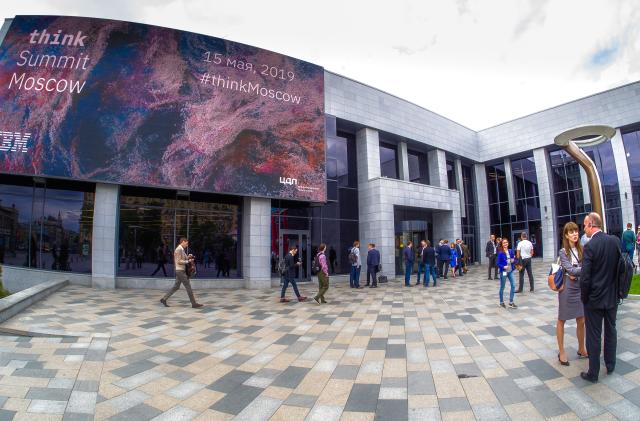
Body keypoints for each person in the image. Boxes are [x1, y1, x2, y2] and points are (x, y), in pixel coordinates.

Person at [580, 212, 620, 383]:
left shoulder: (590, 246)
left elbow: (585, 277)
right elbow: (621, 268)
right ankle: (610, 365)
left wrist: (584, 297)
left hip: (594, 300)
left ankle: (593, 373)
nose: (584, 229)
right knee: (611, 331)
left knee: (594, 335)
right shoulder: (614, 241)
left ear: (592, 224)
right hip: (612, 297)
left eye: (584, 225)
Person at [557, 222, 588, 366]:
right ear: (566, 235)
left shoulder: (582, 249)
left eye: (576, 231)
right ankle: (562, 351)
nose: (575, 234)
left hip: (580, 286)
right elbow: (570, 270)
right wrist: (583, 269)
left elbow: (576, 271)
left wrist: (577, 271)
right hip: (567, 288)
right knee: (562, 319)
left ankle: (581, 348)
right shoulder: (563, 252)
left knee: (581, 319)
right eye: (571, 232)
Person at [160, 237, 203, 308]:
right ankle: (194, 304)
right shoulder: (178, 250)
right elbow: (179, 261)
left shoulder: (182, 250)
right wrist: (188, 261)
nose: (187, 245)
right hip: (180, 271)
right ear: (183, 242)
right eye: (186, 243)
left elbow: (185, 258)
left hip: (180, 271)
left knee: (176, 287)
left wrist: (189, 256)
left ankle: (164, 299)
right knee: (188, 286)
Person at [496, 238, 517, 309]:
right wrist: (503, 266)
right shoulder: (500, 253)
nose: (505, 244)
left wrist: (514, 260)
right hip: (504, 272)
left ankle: (511, 302)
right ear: (502, 244)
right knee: (502, 287)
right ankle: (501, 302)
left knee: (513, 285)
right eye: (504, 243)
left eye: (506, 242)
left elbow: (514, 259)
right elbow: (498, 263)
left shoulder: (510, 251)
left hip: (510, 271)